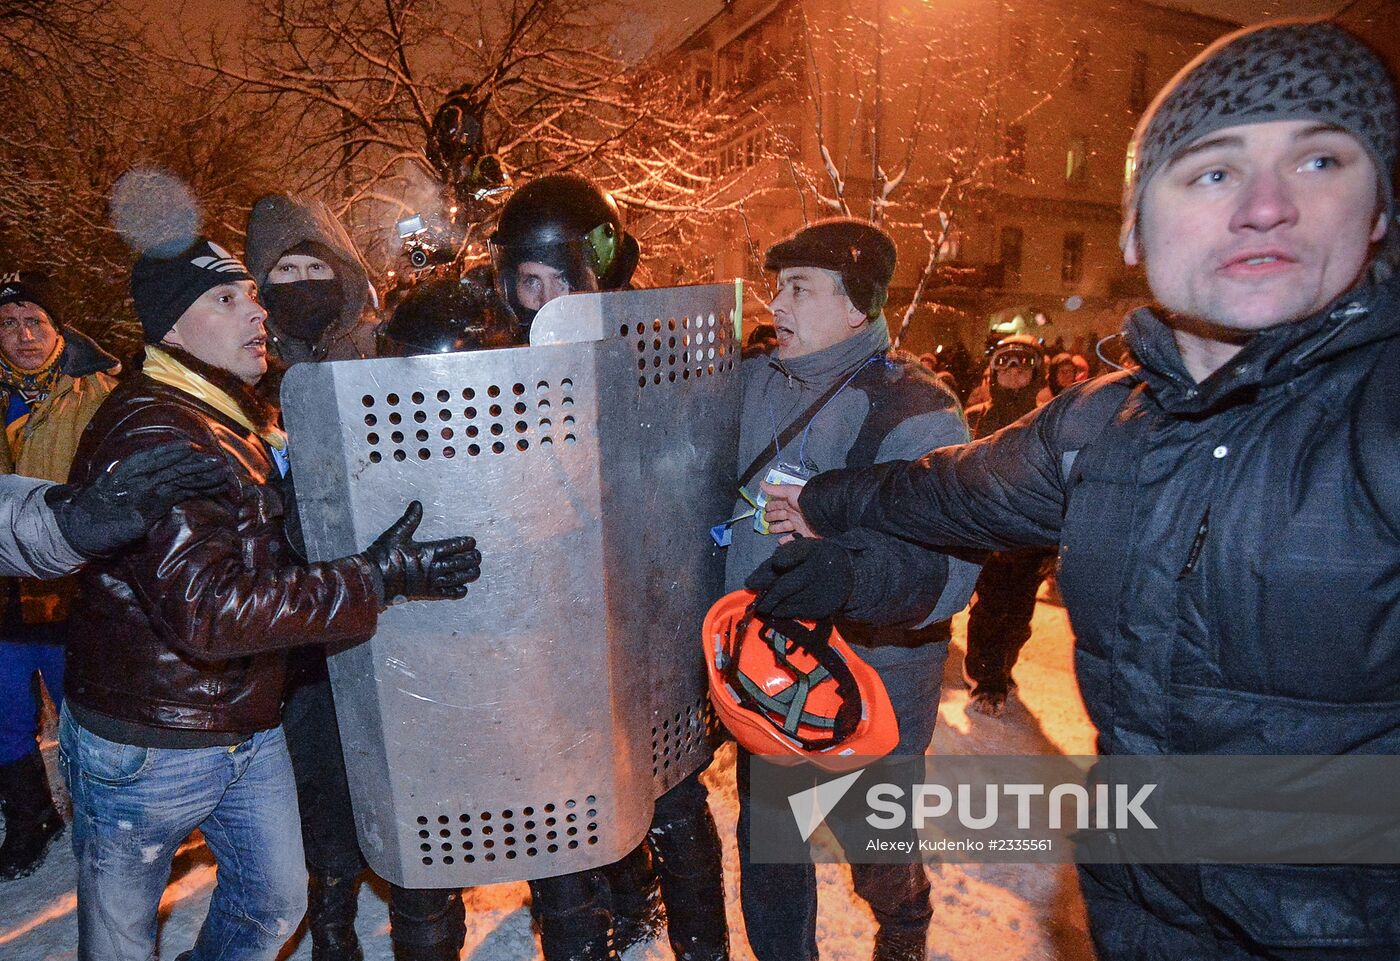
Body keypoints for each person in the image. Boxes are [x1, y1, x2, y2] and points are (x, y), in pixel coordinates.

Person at [753, 20, 1400, 960]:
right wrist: (828, 503)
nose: (1266, 206)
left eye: (1319, 162)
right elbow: (946, 494)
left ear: (1379, 210)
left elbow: (938, 582)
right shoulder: (1101, 422)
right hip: (1143, 906)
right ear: (1136, 224)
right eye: (1212, 171)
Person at [60, 213, 481, 961]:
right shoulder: (157, 430)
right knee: (121, 943)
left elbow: (258, 555)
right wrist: (375, 577)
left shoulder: (225, 413)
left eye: (252, 294)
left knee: (272, 900)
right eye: (227, 300)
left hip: (244, 722)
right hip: (150, 740)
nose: (257, 309)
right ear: (172, 327)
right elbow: (212, 610)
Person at [489, 173, 728, 961]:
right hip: (551, 629)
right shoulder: (498, 367)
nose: (547, 299)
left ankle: (701, 944)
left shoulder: (659, 345)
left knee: (671, 792)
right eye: (531, 280)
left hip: (646, 615)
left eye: (563, 278)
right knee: (557, 810)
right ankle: (604, 924)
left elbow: (692, 476)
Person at [735, 218, 979, 961]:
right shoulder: (749, 383)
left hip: (874, 681)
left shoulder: (917, 408)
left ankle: (903, 914)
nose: (777, 304)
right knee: (769, 847)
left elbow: (949, 570)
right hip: (771, 675)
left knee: (873, 846)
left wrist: (846, 574)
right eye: (778, 287)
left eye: (800, 289)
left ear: (857, 307)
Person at [247, 193, 466, 961]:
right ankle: (332, 927)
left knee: (413, 787)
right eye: (282, 271)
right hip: (297, 625)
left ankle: (425, 921)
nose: (301, 284)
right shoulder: (243, 372)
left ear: (343, 274)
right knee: (319, 782)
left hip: (393, 610)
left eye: (316, 266)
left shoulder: (385, 356)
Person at [0, 273, 124, 879]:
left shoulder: (102, 389)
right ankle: (28, 818)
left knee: (88, 707)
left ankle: (105, 817)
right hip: (2, 590)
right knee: (3, 712)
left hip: (75, 584)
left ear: (58, 330)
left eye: (34, 322)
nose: (21, 335)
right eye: (7, 322)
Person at [960, 336, 1056, 716]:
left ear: (1036, 373)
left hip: (1031, 538)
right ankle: (985, 676)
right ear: (993, 372)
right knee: (989, 610)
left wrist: (1054, 542)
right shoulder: (976, 418)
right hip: (987, 535)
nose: (1014, 372)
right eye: (1006, 364)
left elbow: (1061, 484)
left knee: (1019, 616)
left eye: (1022, 364)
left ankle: (1003, 667)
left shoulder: (1050, 421)